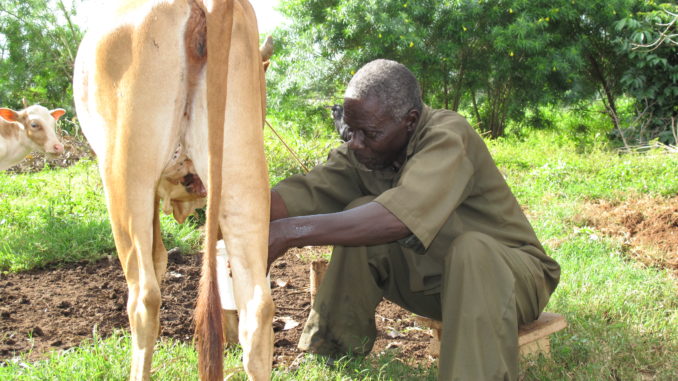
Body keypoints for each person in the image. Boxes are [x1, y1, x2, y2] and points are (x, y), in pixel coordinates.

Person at [268, 59, 560, 380]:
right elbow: (302, 194)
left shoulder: (448, 136)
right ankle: (333, 353)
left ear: (409, 120)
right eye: (352, 130)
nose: (356, 142)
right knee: (360, 213)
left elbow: (398, 218)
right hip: (441, 285)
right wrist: (225, 207)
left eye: (370, 133)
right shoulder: (368, 150)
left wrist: (290, 232)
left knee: (470, 249)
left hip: (512, 280)